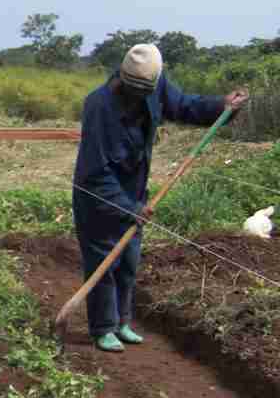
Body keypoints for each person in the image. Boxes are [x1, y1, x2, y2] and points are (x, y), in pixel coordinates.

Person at [72, 44, 248, 353]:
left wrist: (221, 106)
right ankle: (102, 327)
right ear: (123, 81)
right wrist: (129, 209)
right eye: (135, 91)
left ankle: (122, 322)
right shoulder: (98, 107)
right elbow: (95, 173)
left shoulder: (155, 85)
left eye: (146, 92)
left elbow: (184, 106)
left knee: (128, 261)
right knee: (104, 261)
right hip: (100, 196)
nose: (141, 98)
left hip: (134, 189)